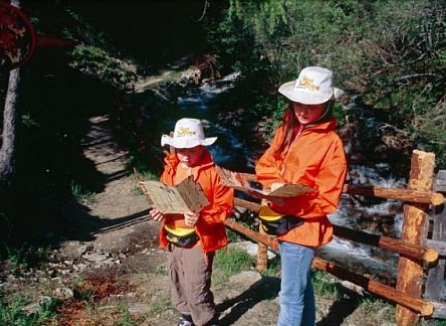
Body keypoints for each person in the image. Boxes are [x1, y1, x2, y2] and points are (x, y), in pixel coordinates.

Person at [255, 66, 348, 326]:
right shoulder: (287, 128)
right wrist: (275, 183)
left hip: (303, 227)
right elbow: (266, 163)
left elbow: (328, 198)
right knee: (301, 289)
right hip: (284, 220)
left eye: (311, 105)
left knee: (290, 297)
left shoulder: (331, 144)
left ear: (327, 105)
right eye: (298, 103)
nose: (303, 110)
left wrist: (290, 199)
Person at [149, 118, 234, 326]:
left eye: (192, 150)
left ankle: (207, 320)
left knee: (197, 284)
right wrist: (160, 211)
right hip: (174, 236)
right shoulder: (171, 169)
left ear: (202, 147)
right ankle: (186, 316)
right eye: (180, 150)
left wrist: (202, 217)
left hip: (199, 240)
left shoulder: (215, 174)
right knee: (177, 279)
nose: (185, 155)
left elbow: (225, 208)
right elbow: (163, 196)